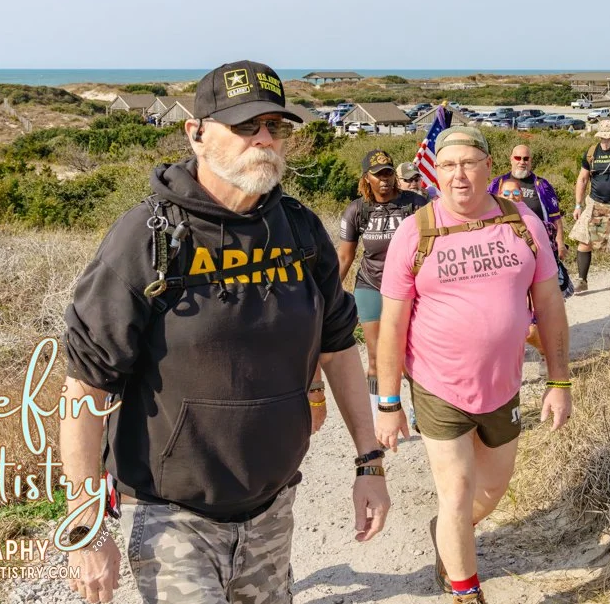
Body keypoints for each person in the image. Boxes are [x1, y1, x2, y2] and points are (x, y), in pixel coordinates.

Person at [60, 60, 389, 604]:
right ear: (196, 133)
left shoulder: (300, 229)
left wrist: (368, 461)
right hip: (170, 515)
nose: (263, 139)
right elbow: (85, 385)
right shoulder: (147, 237)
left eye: (274, 126)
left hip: (273, 507)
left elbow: (338, 348)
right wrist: (84, 522)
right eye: (244, 126)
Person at [375, 126, 573, 604]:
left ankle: (447, 532)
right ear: (435, 172)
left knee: (491, 491)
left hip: (503, 385)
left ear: (489, 167)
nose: (458, 175)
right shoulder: (415, 231)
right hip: (437, 385)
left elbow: (549, 305)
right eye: (447, 165)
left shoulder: (522, 222)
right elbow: (392, 324)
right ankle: (466, 592)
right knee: (458, 491)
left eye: (468, 163)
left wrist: (559, 381)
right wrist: (388, 402)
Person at [338, 150, 429, 403]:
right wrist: (328, 295)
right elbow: (344, 257)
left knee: (413, 353)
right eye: (378, 175)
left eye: (388, 172)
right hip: (371, 284)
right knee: (376, 356)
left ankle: (419, 409)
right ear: (366, 178)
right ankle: (380, 414)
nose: (385, 179)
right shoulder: (357, 210)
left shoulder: (416, 204)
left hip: (409, 286)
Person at [489, 144, 573, 299]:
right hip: (506, 248)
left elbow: (555, 217)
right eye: (518, 158)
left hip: (539, 246)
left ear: (531, 161)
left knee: (545, 292)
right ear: (511, 159)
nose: (522, 162)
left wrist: (560, 243)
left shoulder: (542, 185)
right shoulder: (497, 183)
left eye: (526, 158)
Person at [570, 119, 610, 294]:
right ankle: (582, 280)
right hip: (595, 203)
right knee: (584, 241)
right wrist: (578, 205)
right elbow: (582, 179)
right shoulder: (591, 153)